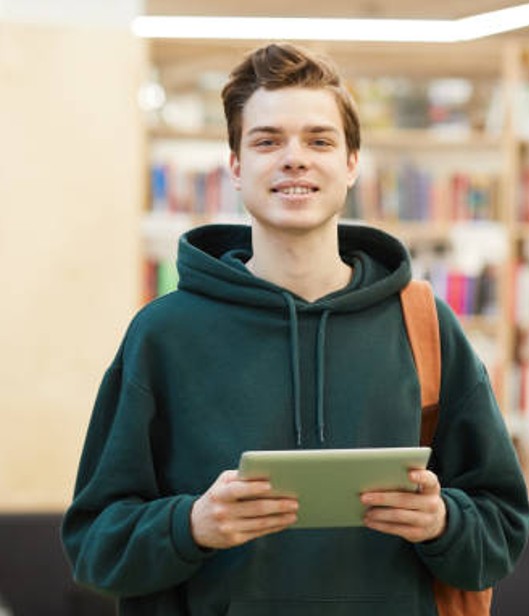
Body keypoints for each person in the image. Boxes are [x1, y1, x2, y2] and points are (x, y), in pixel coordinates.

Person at [61, 42, 529, 615]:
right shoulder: (163, 335)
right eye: (266, 140)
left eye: (319, 140)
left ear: (352, 163)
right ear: (235, 166)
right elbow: (94, 547)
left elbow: (503, 529)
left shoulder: (427, 327)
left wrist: (443, 522)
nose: (294, 158)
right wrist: (190, 526)